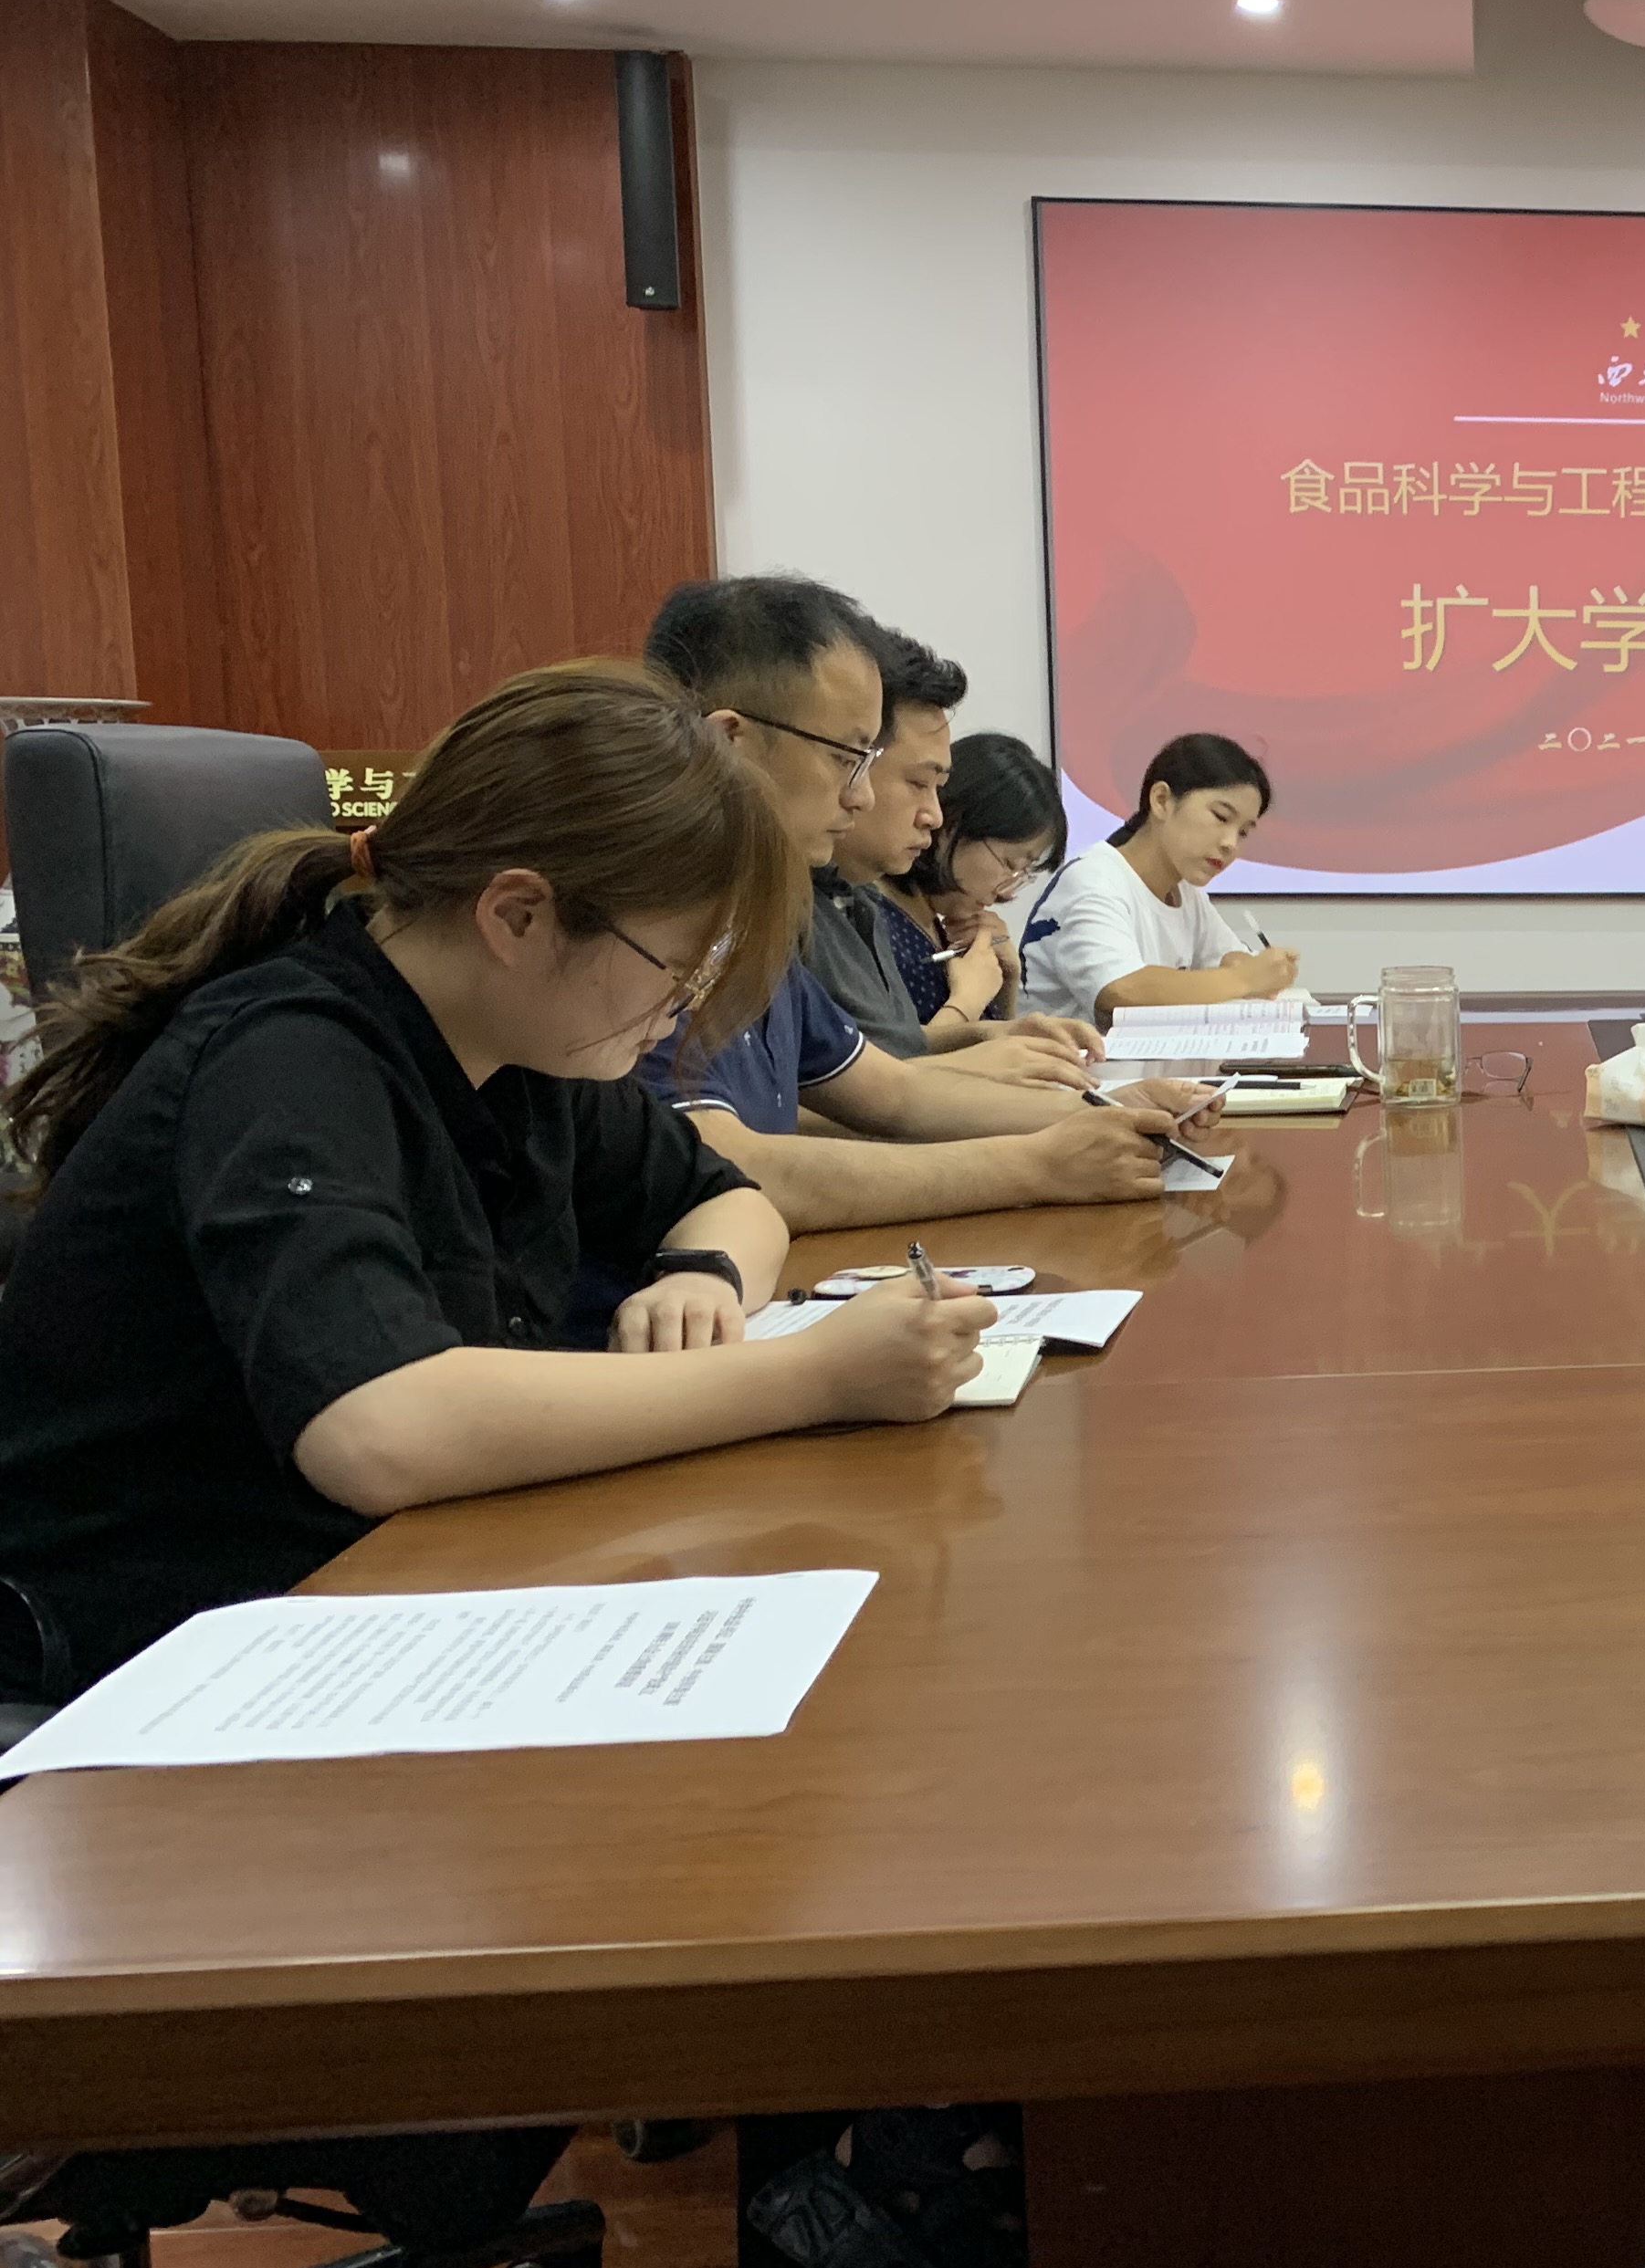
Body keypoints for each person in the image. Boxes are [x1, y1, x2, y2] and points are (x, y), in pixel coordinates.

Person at [0, 662, 995, 1709]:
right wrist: (816, 1378)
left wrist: (703, 1272)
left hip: (381, 1589)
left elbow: (728, 1195)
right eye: (682, 965)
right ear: (518, 917)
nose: (686, 1008)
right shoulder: (289, 1064)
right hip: (143, 1665)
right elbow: (378, 1428)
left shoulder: (524, 1047)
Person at [637, 577, 1221, 1232]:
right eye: (846, 759)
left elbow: (894, 1092)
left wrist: (1107, 1108)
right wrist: (1035, 1166)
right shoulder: (644, 926)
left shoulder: (751, 924)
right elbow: (728, 1164)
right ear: (729, 743)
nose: (859, 797)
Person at [802, 626, 1100, 1086]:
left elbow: (884, 1058)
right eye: (1010, 863)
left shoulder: (856, 900)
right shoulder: (809, 908)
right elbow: (867, 1090)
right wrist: (968, 1007)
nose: (933, 816)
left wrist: (1001, 1024)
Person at [1019, 733, 1302, 1025]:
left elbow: (1229, 960)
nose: (1231, 843)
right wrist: (1243, 979)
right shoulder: (1092, 879)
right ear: (1162, 800)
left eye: (1243, 832)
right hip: (1060, 1054)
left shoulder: (1186, 893)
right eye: (1220, 816)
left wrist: (1254, 968)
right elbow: (1120, 990)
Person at [886, 731, 1068, 1045]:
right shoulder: (874, 921)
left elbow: (993, 1055)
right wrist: (967, 1001)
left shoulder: (933, 923)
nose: (1006, 893)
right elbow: (889, 1063)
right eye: (1010, 864)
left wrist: (1006, 982)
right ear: (951, 825)